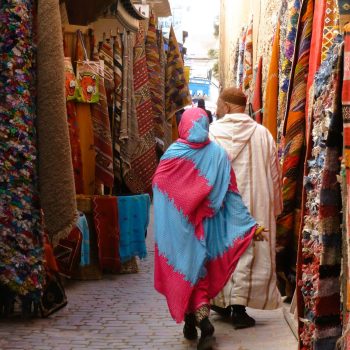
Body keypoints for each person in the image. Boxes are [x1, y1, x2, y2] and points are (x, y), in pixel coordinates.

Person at [153, 107, 265, 350]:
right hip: (205, 230)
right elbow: (232, 195)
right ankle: (195, 323)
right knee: (198, 273)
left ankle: (201, 324)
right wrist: (249, 225)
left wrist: (182, 203)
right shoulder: (218, 155)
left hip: (178, 229)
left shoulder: (173, 154)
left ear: (183, 126)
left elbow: (159, 186)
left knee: (184, 273)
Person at [209, 87, 283, 329]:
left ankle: (222, 301)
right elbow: (274, 175)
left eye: (219, 104)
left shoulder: (210, 133)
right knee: (249, 249)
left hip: (221, 203)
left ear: (228, 106)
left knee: (223, 249)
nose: (217, 109)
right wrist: (274, 207)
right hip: (254, 202)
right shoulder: (263, 135)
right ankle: (239, 308)